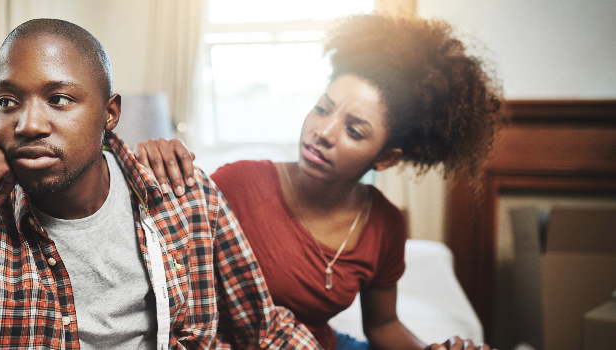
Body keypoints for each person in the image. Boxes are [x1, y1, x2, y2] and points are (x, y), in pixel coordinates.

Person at [0, 18, 321, 350]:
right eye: (7, 102)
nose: (28, 124)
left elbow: (265, 330)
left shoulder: (183, 194)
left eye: (59, 99)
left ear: (110, 114)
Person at [135, 15, 504, 350]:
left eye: (354, 131)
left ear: (386, 157)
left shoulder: (384, 224)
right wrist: (154, 164)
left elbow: (383, 326)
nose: (323, 132)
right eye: (323, 108)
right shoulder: (239, 181)